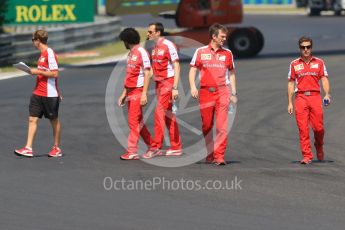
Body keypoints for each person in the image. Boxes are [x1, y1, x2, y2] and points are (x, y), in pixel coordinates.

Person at [189, 23, 237, 166]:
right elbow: (192, 70)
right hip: (205, 92)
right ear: (213, 36)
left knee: (222, 126)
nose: (224, 38)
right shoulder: (200, 51)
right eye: (222, 36)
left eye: (225, 36)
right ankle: (209, 153)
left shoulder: (228, 53)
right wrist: (192, 87)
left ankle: (219, 156)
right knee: (206, 126)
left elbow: (232, 73)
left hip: (223, 91)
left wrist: (233, 92)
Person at [14, 30, 62, 157]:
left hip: (49, 94)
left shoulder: (49, 53)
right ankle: (28, 148)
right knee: (32, 119)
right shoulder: (41, 55)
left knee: (54, 120)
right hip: (38, 92)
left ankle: (56, 148)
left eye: (32, 40)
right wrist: (34, 71)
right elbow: (46, 72)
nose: (32, 42)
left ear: (37, 40)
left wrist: (36, 71)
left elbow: (55, 73)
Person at [287, 36, 331, 164]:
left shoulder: (319, 62)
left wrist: (327, 94)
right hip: (300, 98)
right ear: (300, 48)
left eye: (308, 47)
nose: (305, 50)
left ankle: (319, 145)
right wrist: (290, 102)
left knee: (318, 128)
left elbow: (324, 79)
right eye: (303, 47)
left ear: (311, 48)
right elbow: (290, 83)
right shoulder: (294, 64)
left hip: (315, 97)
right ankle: (307, 155)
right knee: (303, 128)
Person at [142, 22, 182, 159]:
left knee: (159, 112)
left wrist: (175, 88)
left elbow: (177, 66)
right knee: (167, 114)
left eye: (150, 31)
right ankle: (176, 147)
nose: (148, 34)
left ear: (158, 32)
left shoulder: (168, 45)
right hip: (158, 84)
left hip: (168, 83)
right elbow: (154, 67)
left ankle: (156, 147)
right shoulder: (154, 47)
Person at [117, 27, 155, 160]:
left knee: (133, 121)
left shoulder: (141, 52)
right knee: (138, 121)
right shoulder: (131, 54)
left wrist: (144, 93)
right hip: (130, 91)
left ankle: (132, 150)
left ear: (128, 41)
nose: (123, 44)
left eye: (124, 41)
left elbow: (147, 73)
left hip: (138, 91)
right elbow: (130, 76)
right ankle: (152, 145)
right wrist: (123, 94)